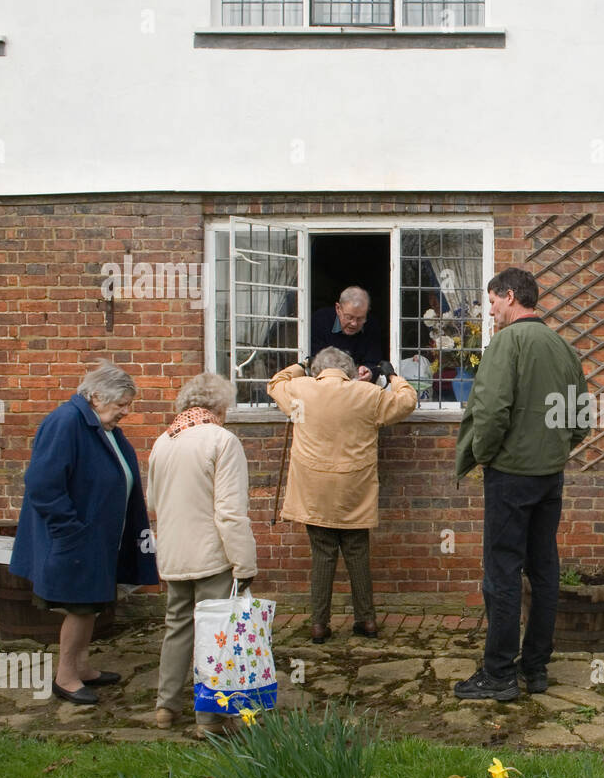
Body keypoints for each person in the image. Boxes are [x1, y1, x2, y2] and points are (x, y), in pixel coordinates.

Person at [453, 267, 589, 701]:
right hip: (550, 475)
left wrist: (486, 455)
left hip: (510, 476)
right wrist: (553, 448)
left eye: (492, 302)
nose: (490, 312)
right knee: (544, 569)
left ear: (510, 297)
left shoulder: (507, 344)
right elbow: (580, 421)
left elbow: (491, 412)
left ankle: (498, 674)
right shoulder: (564, 348)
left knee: (503, 573)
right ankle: (536, 668)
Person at [10, 360, 159, 704]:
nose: (127, 411)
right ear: (95, 396)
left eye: (128, 404)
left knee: (91, 604)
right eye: (121, 404)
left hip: (96, 539)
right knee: (79, 607)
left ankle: (82, 666)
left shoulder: (99, 426)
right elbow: (42, 484)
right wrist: (70, 531)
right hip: (76, 538)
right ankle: (65, 677)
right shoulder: (66, 422)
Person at [267, 346, 416, 643]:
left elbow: (275, 383)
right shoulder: (367, 395)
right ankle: (368, 621)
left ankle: (319, 625)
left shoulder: (299, 389)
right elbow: (407, 401)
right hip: (353, 489)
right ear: (349, 372)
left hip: (314, 489)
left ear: (317, 371)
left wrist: (301, 364)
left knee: (322, 556)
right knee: (357, 553)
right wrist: (392, 375)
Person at [147, 373, 258, 738]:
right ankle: (208, 719)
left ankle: (166, 706)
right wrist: (244, 563)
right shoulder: (222, 441)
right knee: (216, 634)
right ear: (219, 407)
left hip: (174, 553)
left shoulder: (163, 442)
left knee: (177, 628)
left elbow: (152, 502)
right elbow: (229, 512)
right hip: (213, 554)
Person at [310, 286, 385, 383]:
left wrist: (369, 372)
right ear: (338, 309)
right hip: (324, 382)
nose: (354, 323)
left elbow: (374, 362)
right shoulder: (319, 321)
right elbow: (314, 361)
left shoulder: (372, 325)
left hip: (358, 384)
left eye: (360, 319)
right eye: (349, 317)